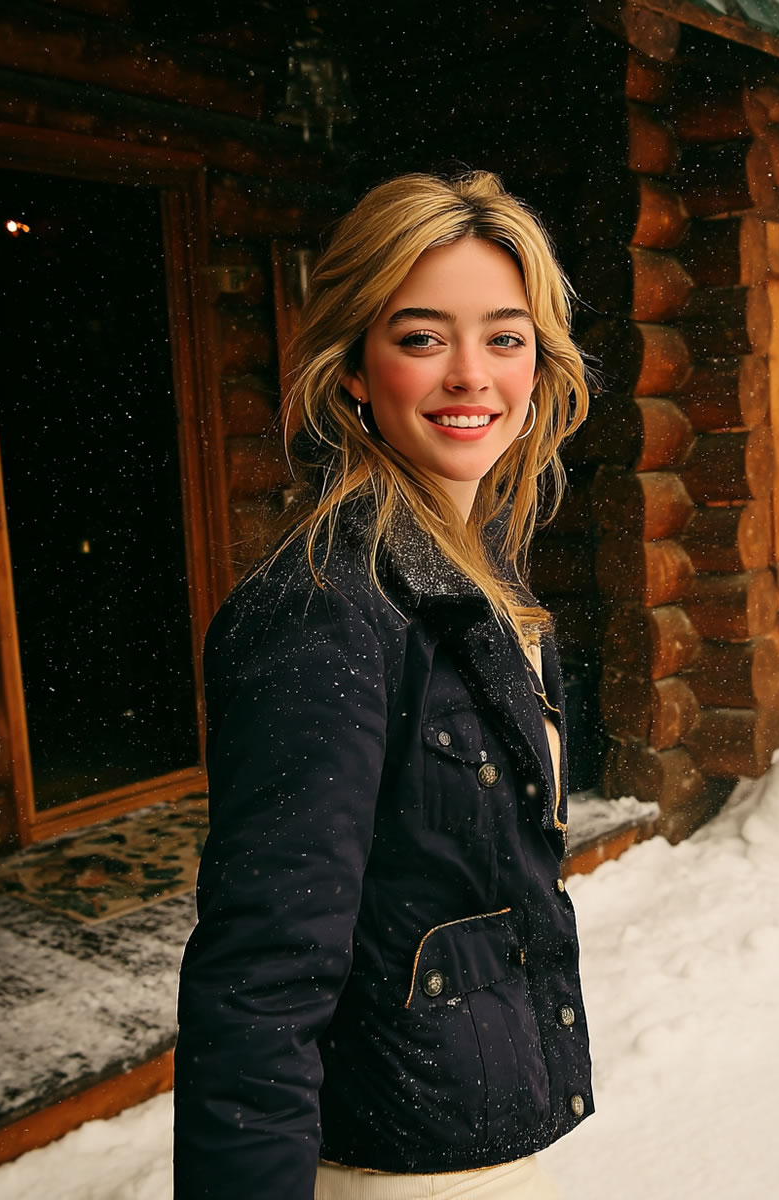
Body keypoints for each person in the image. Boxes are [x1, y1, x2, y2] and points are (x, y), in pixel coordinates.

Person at [173, 171, 594, 1199]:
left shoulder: (475, 571)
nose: (471, 375)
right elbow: (261, 976)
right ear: (355, 369)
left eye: (504, 337)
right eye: (421, 337)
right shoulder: (326, 609)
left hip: (482, 1136)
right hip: (402, 1174)